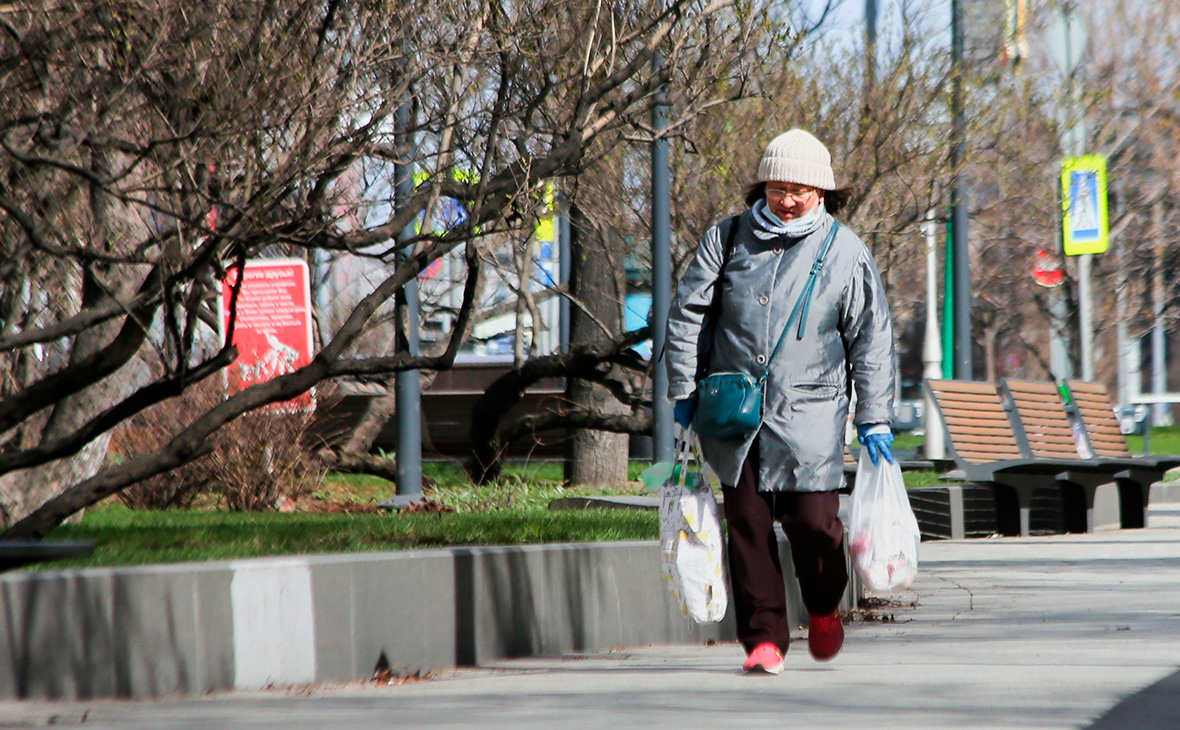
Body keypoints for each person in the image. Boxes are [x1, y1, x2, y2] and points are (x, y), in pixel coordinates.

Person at [664, 129, 896, 674]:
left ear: (821, 193)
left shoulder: (845, 251)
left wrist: (875, 417)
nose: (786, 199)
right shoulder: (726, 238)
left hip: (810, 415)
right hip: (732, 410)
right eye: (776, 188)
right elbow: (688, 314)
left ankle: (821, 606)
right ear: (762, 187)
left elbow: (872, 339)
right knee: (746, 525)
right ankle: (764, 638)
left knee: (816, 524)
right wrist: (683, 388)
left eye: (799, 189)